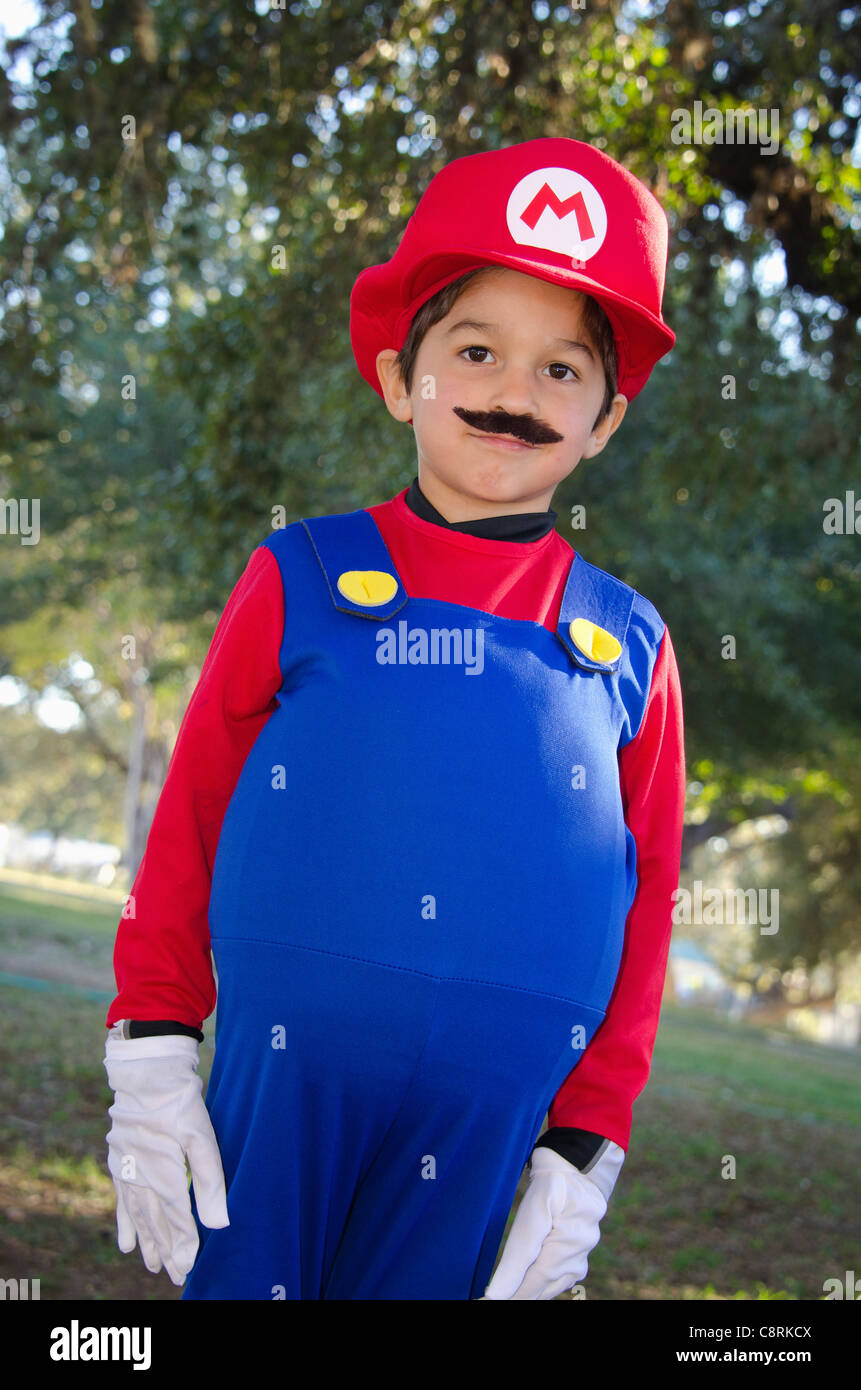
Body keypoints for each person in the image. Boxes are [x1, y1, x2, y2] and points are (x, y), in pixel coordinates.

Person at [103, 137, 686, 1300]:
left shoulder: (634, 648)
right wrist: (155, 1040)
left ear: (607, 420)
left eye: (562, 371)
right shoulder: (300, 576)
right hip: (284, 1085)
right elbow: (194, 818)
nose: (515, 394)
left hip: (489, 1127)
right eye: (476, 351)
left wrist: (587, 1145)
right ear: (396, 378)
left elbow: (651, 903)